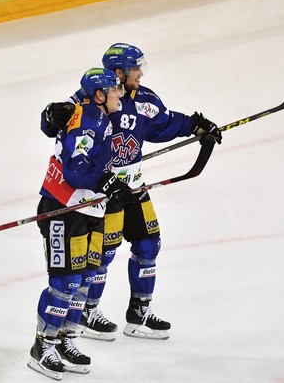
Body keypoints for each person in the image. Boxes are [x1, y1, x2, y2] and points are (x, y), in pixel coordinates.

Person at [42, 43, 222, 341]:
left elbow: (162, 124)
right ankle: (86, 312)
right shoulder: (92, 98)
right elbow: (59, 127)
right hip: (105, 191)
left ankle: (139, 314)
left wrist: (195, 125)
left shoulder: (145, 98)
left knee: (149, 245)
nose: (140, 72)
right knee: (102, 256)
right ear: (118, 73)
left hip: (134, 186)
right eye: (135, 67)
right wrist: (49, 115)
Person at [28, 68, 133, 380]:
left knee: (83, 279)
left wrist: (109, 181)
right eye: (115, 91)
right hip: (63, 210)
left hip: (90, 210)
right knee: (63, 284)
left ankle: (66, 339)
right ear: (100, 95)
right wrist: (106, 181)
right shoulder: (88, 118)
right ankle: (42, 346)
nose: (120, 94)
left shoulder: (99, 116)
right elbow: (75, 170)